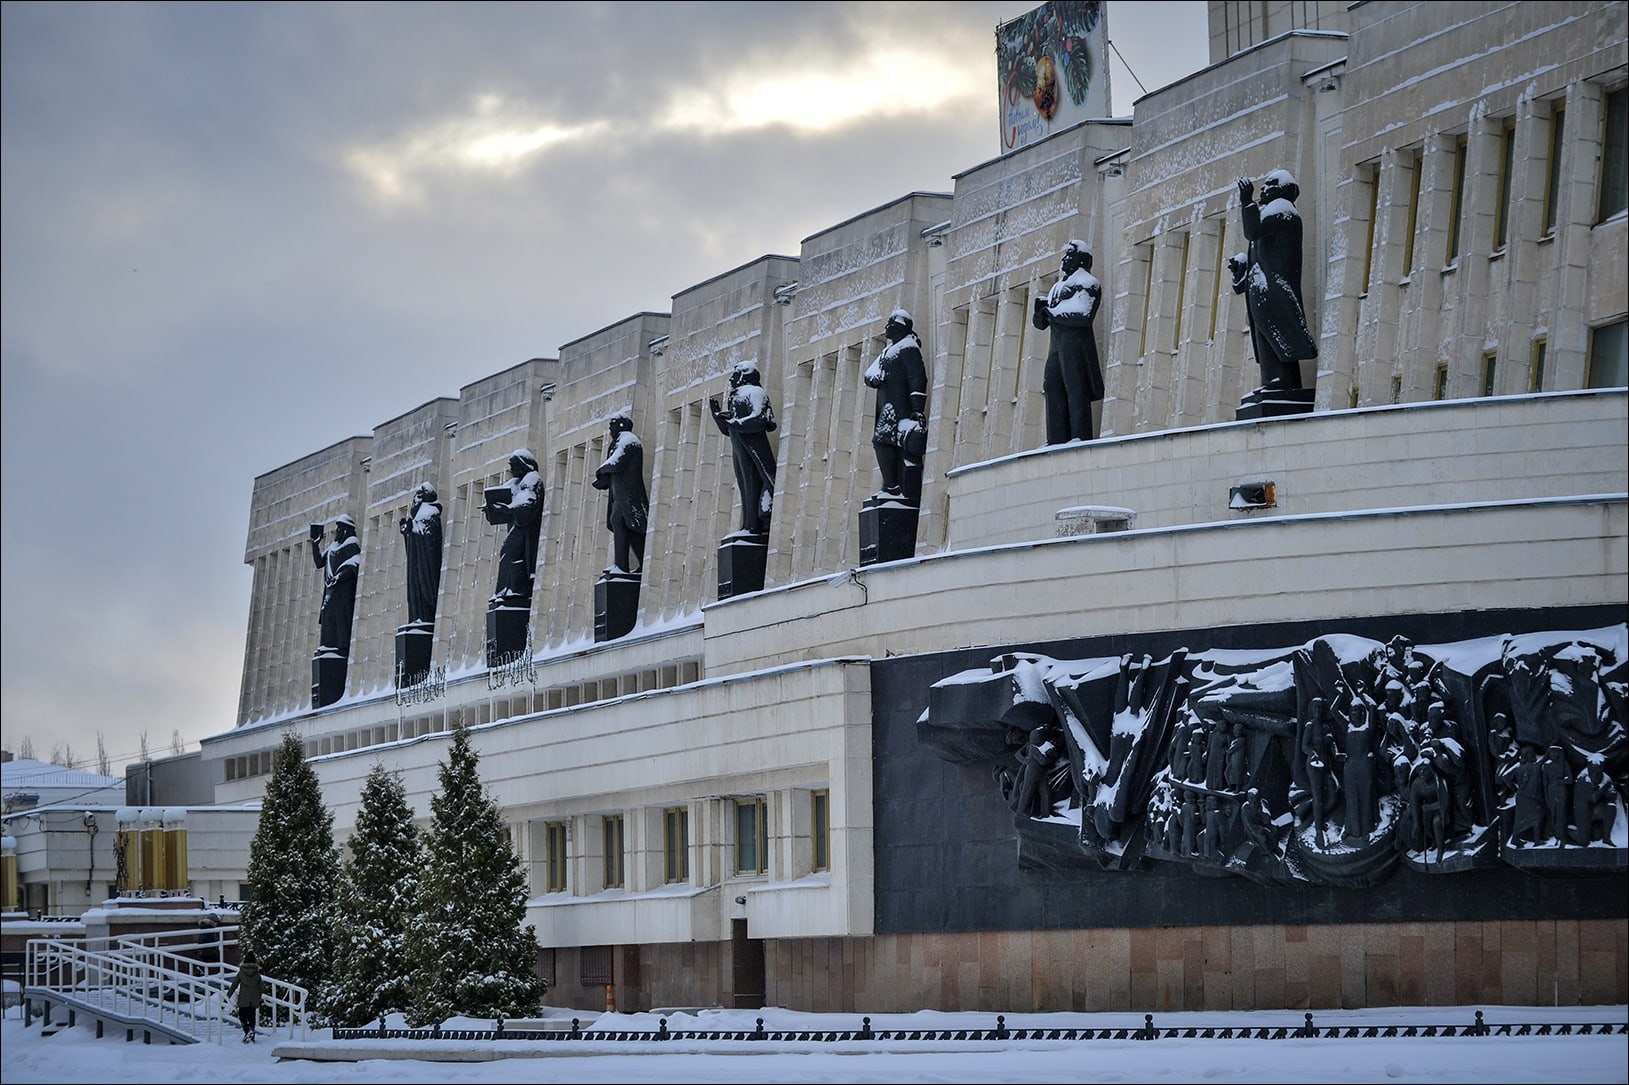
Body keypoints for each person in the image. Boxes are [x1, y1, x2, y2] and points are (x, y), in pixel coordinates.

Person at [1236, 170, 1318, 391]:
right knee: (1267, 338)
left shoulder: (1283, 210)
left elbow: (1253, 231)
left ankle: (1281, 382)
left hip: (1274, 289)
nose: (1263, 188)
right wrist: (1241, 271)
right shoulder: (1271, 213)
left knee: (1278, 337)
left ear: (1282, 190)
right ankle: (1272, 380)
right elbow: (1260, 257)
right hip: (1263, 288)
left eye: (1270, 184)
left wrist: (1246, 201)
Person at [1033, 239, 1104, 444]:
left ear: (1081, 259)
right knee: (1052, 387)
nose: (1064, 259)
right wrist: (1040, 311)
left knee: (1076, 389)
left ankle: (1079, 436)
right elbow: (1041, 324)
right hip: (1056, 347)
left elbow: (1082, 315)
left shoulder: (1088, 283)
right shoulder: (1057, 286)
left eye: (1069, 255)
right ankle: (1056, 438)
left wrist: (1051, 312)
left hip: (1076, 348)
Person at [863, 309, 928, 505]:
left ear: (899, 325)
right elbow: (869, 376)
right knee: (882, 443)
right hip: (887, 407)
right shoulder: (888, 351)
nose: (886, 328)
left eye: (889, 324)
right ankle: (891, 486)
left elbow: (917, 378)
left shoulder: (908, 348)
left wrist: (918, 409)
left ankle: (892, 487)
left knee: (883, 443)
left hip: (899, 409)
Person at [709, 360, 778, 535]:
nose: (731, 379)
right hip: (739, 447)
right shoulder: (736, 395)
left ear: (743, 375)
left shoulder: (755, 392)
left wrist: (733, 422)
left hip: (754, 446)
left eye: (735, 375)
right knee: (745, 485)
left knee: (759, 480)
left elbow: (759, 420)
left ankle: (757, 523)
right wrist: (718, 416)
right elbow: (728, 430)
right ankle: (749, 524)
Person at [593, 412, 650, 574]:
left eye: (612, 425)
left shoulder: (628, 440)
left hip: (629, 497)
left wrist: (600, 471)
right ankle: (624, 565)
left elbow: (616, 463)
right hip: (620, 497)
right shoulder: (620, 441)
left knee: (627, 525)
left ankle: (624, 565)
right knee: (624, 525)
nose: (610, 429)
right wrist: (602, 480)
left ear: (621, 425)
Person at [485, 450, 544, 608]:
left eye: (514, 465)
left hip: (526, 530)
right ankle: (506, 589)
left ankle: (516, 589)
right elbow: (502, 494)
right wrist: (489, 506)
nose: (511, 470)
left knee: (511, 553)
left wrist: (509, 508)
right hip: (518, 527)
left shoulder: (532, 479)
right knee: (507, 553)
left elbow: (528, 501)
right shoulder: (516, 481)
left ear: (523, 464)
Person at [308, 515, 361, 657]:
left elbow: (354, 563)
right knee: (327, 615)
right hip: (330, 590)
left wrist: (340, 577)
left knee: (340, 617)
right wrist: (315, 543)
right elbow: (319, 563)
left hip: (342, 591)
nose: (337, 531)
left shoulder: (351, 543)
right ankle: (327, 646)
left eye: (339, 528)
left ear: (345, 530)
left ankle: (339, 647)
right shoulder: (333, 546)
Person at [398, 482, 443, 626]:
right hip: (416, 563)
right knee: (414, 586)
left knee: (424, 586)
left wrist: (413, 530)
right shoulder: (418, 517)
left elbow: (431, 543)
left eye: (418, 496)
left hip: (426, 565)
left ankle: (425, 616)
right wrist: (407, 532)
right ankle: (416, 617)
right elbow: (414, 545)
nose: (415, 500)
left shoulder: (431, 514)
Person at [225, 951, 264, 1043]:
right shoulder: (257, 974)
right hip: (253, 998)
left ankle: (247, 1030)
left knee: (242, 1016)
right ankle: (252, 1035)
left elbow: (234, 985)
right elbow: (261, 988)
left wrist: (227, 997)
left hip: (243, 998)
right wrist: (258, 997)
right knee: (252, 1017)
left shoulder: (241, 973)